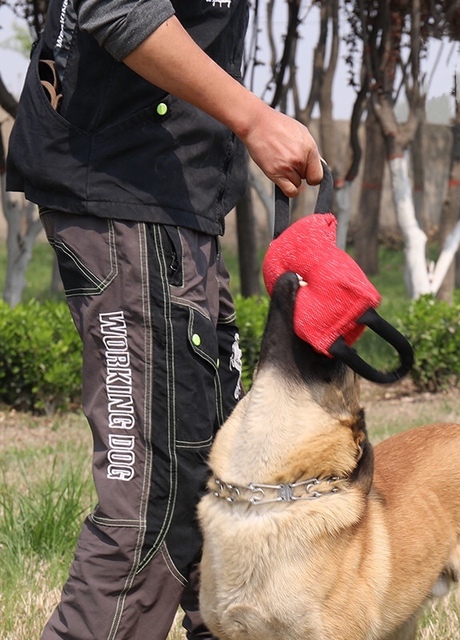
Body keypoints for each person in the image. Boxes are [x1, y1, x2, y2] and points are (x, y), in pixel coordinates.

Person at [6, 1, 322, 639]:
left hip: (175, 206)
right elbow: (115, 7)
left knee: (229, 481)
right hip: (127, 193)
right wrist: (255, 119)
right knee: (156, 501)